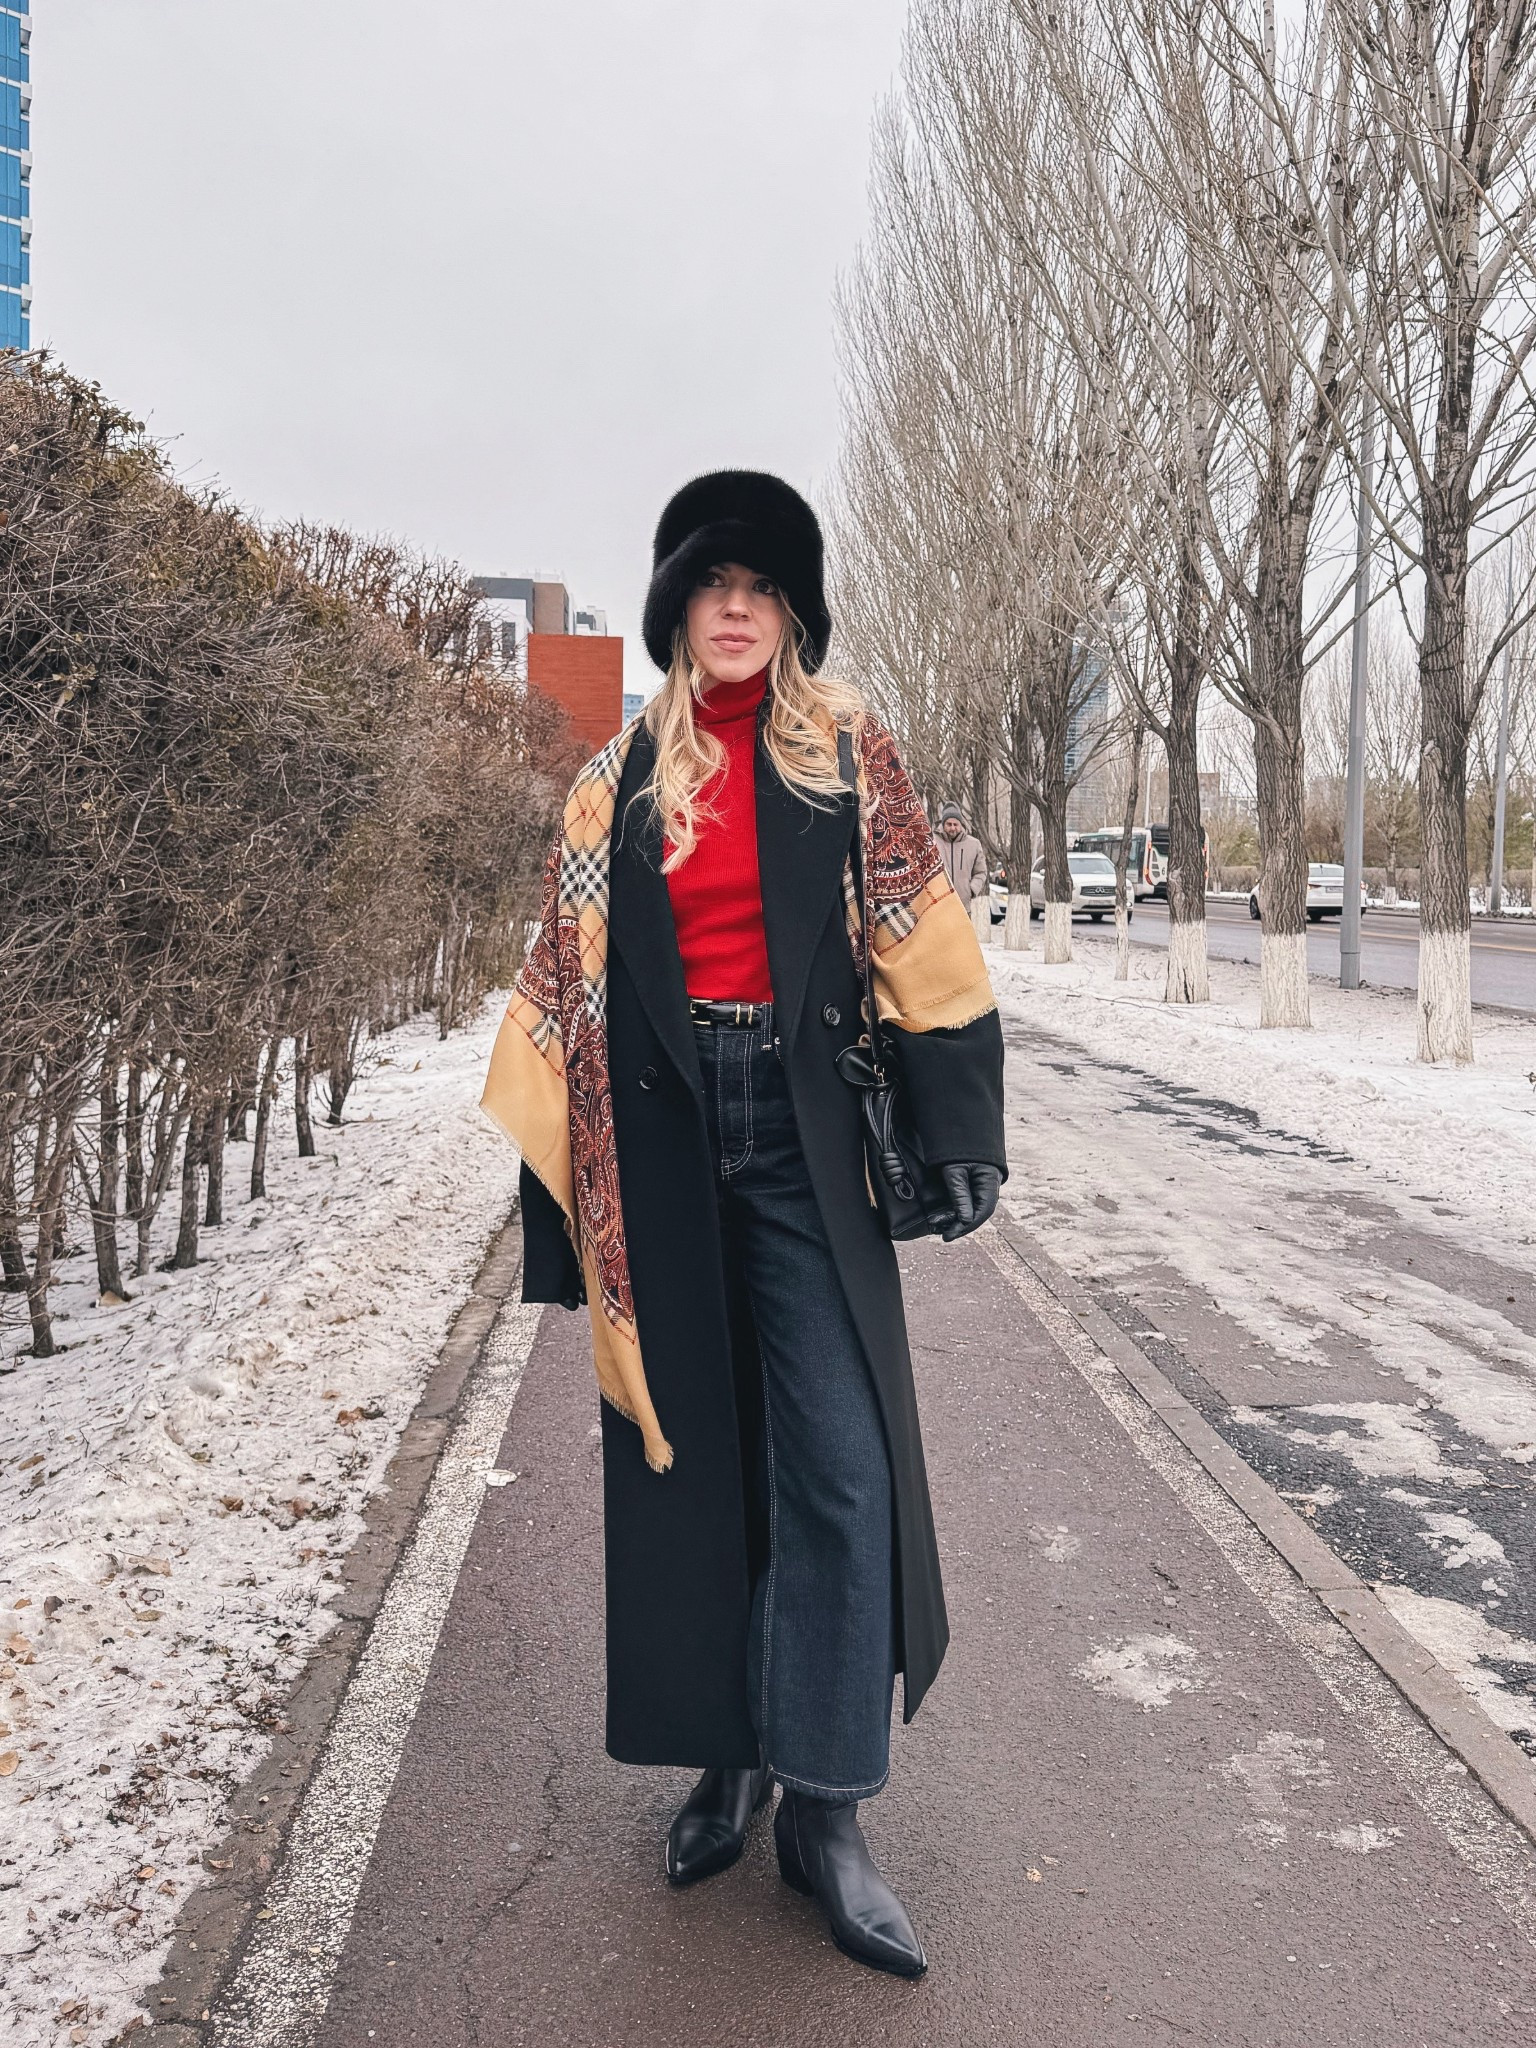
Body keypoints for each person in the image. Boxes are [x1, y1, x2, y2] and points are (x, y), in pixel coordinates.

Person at [481, 471, 1006, 1978]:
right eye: (714, 583)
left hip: (802, 1132)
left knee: (839, 1460)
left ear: (793, 612)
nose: (736, 607)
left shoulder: (846, 750)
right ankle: (729, 1756)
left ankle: (825, 1807)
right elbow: (564, 991)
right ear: (675, 607)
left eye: (763, 586)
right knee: (695, 1465)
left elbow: (918, 932)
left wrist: (963, 1126)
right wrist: (560, 1214)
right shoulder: (613, 781)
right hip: (659, 1137)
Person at [937, 801, 988, 909]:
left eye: (955, 824)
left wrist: (972, 889)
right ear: (943, 824)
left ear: (961, 824)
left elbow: (981, 872)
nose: (952, 828)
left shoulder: (974, 844)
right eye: (949, 824)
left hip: (963, 907)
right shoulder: (933, 843)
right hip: (938, 907)